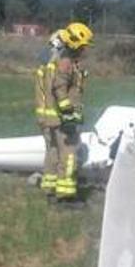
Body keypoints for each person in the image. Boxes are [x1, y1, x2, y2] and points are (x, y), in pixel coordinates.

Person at [34, 22, 94, 206]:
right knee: (69, 155)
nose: (86, 50)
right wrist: (69, 111)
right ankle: (65, 196)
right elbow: (60, 88)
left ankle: (50, 190)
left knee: (53, 152)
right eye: (84, 46)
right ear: (76, 44)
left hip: (51, 118)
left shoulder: (57, 60)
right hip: (62, 118)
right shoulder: (65, 62)